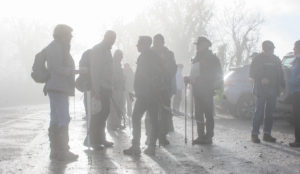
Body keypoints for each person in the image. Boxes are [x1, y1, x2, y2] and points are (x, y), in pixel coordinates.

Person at [123, 36, 164, 156]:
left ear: (145, 44)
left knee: (137, 118)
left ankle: (138, 146)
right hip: (149, 94)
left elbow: (147, 77)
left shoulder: (148, 56)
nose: (137, 45)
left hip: (147, 94)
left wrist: (142, 91)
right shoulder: (150, 56)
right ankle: (150, 146)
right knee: (152, 120)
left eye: (139, 43)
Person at [44, 24, 79, 161]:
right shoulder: (55, 47)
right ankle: (62, 151)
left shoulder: (58, 47)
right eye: (69, 34)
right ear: (62, 35)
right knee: (62, 119)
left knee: (57, 119)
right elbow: (55, 67)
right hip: (58, 87)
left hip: (58, 87)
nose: (71, 37)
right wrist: (72, 71)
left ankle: (56, 151)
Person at [185, 36, 223, 145]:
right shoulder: (196, 58)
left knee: (208, 114)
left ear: (206, 45)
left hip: (207, 89)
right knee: (198, 114)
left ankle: (208, 136)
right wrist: (188, 78)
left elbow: (218, 74)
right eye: (196, 45)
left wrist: (216, 88)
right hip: (197, 90)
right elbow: (194, 73)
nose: (197, 46)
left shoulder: (213, 58)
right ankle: (201, 136)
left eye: (199, 44)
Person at [83, 30, 116, 150]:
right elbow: (95, 71)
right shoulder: (98, 50)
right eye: (112, 39)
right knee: (98, 114)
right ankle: (91, 140)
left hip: (106, 87)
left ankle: (100, 138)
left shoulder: (107, 50)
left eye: (114, 39)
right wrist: (96, 90)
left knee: (104, 113)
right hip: (100, 87)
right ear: (106, 37)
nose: (113, 41)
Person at [145, 34, 177, 146]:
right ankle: (149, 135)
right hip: (151, 88)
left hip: (164, 88)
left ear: (163, 42)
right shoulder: (148, 54)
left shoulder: (169, 54)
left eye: (158, 41)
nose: (155, 43)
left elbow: (173, 68)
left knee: (164, 113)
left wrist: (165, 77)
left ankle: (162, 136)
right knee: (150, 113)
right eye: (154, 41)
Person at [249, 40, 285, 143]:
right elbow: (251, 73)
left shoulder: (276, 59)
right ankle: (254, 134)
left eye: (272, 49)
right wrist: (261, 79)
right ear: (263, 49)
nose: (270, 51)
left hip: (273, 90)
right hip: (261, 89)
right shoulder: (258, 59)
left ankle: (267, 134)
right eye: (268, 49)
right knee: (259, 112)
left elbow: (281, 73)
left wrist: (282, 86)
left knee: (270, 113)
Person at [107, 49, 126, 130]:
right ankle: (111, 124)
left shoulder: (118, 65)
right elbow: (112, 77)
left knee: (119, 106)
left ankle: (117, 123)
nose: (121, 58)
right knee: (114, 107)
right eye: (120, 56)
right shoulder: (113, 65)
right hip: (115, 88)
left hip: (120, 88)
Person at [289, 40, 300, 147]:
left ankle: (298, 141)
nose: (293, 50)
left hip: (298, 92)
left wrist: (292, 82)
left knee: (297, 116)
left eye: (294, 48)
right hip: (296, 91)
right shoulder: (296, 60)